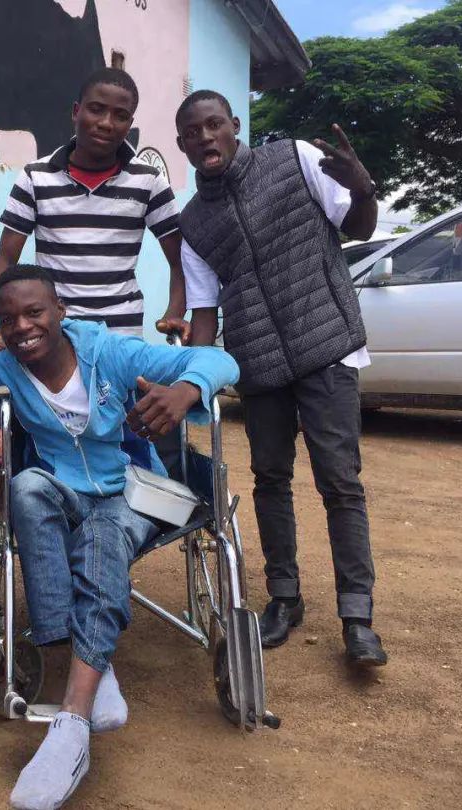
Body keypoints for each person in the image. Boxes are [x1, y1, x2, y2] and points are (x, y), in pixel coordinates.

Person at [0, 265, 239, 810]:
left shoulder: (109, 353)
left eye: (34, 312)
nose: (22, 327)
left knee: (101, 534)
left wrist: (185, 390)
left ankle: (72, 725)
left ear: (60, 311)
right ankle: (91, 663)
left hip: (129, 491)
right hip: (60, 491)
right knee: (26, 487)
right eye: (8, 319)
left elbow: (220, 361)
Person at [174, 89, 388, 667]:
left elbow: (359, 227)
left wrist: (363, 188)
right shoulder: (193, 222)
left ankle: (357, 616)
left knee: (340, 482)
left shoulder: (294, 158)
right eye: (193, 132)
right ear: (182, 144)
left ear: (234, 125)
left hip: (327, 348)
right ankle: (285, 599)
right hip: (259, 364)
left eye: (214, 125)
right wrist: (191, 378)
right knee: (270, 481)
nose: (205, 137)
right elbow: (204, 310)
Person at [0, 67, 189, 341]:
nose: (106, 123)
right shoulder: (35, 177)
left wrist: (175, 312)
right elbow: (5, 259)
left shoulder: (149, 181)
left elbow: (181, 261)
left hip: (121, 338)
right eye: (96, 109)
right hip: (54, 335)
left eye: (120, 116)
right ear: (76, 111)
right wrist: (9, 319)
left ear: (129, 123)